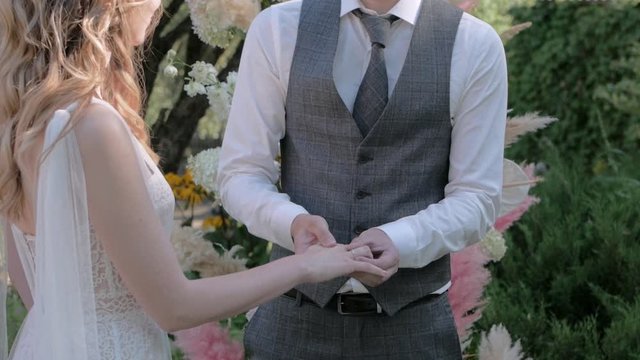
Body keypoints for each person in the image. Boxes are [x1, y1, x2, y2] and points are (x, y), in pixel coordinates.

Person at [0, 1, 389, 359]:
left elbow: (38, 291)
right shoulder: (93, 125)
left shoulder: (19, 123)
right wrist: (305, 267)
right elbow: (175, 306)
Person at [217, 0, 508, 358]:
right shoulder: (278, 29)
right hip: (292, 323)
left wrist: (402, 241)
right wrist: (291, 223)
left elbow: (477, 197)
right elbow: (241, 173)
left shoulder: (474, 44)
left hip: (413, 333)